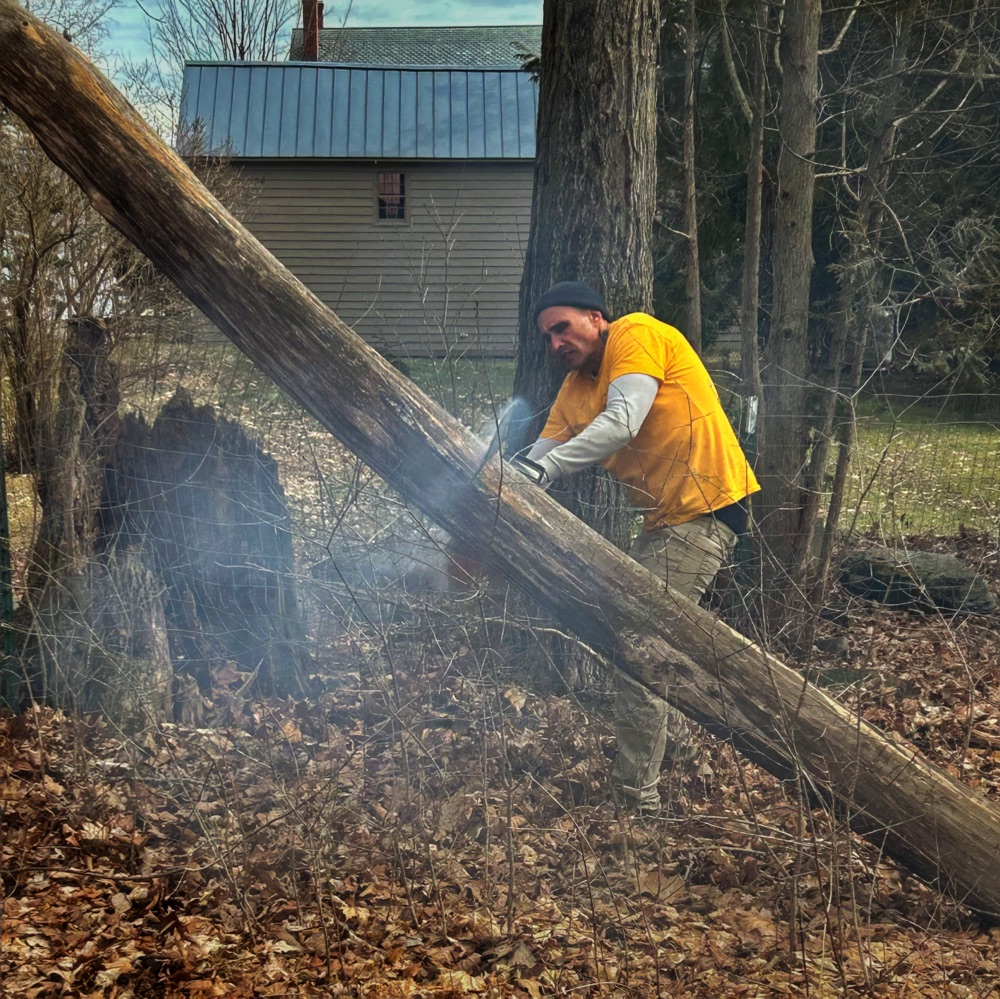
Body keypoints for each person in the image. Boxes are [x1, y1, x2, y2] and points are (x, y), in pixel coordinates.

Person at [515, 281, 760, 816]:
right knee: (651, 647)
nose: (555, 342)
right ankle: (685, 754)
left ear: (596, 318)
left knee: (639, 654)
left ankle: (637, 802)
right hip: (666, 519)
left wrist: (542, 468)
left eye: (563, 327)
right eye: (547, 336)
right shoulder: (576, 387)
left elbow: (622, 422)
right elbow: (542, 454)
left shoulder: (637, 334)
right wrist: (504, 477)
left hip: (707, 507)